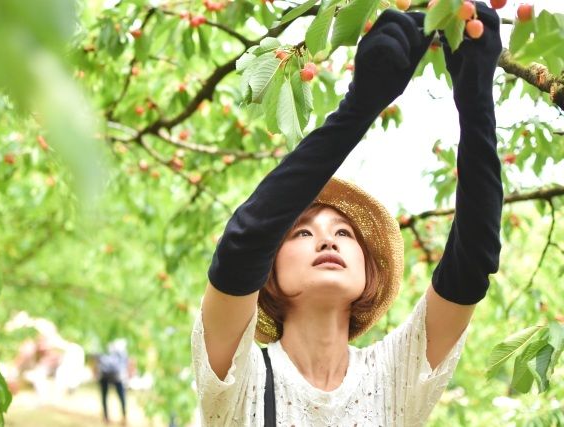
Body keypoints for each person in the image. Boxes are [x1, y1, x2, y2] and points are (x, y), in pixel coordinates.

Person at [191, 2, 503, 425]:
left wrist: (475, 94)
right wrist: (359, 107)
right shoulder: (238, 376)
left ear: (367, 269)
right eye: (302, 233)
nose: (327, 239)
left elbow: (469, 269)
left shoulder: (394, 378)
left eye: (345, 233)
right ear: (270, 270)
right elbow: (243, 244)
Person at [96, 339, 129, 425]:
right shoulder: (104, 345)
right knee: (107, 396)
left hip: (116, 376)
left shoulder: (120, 348)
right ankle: (106, 417)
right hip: (107, 375)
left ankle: (123, 416)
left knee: (121, 397)